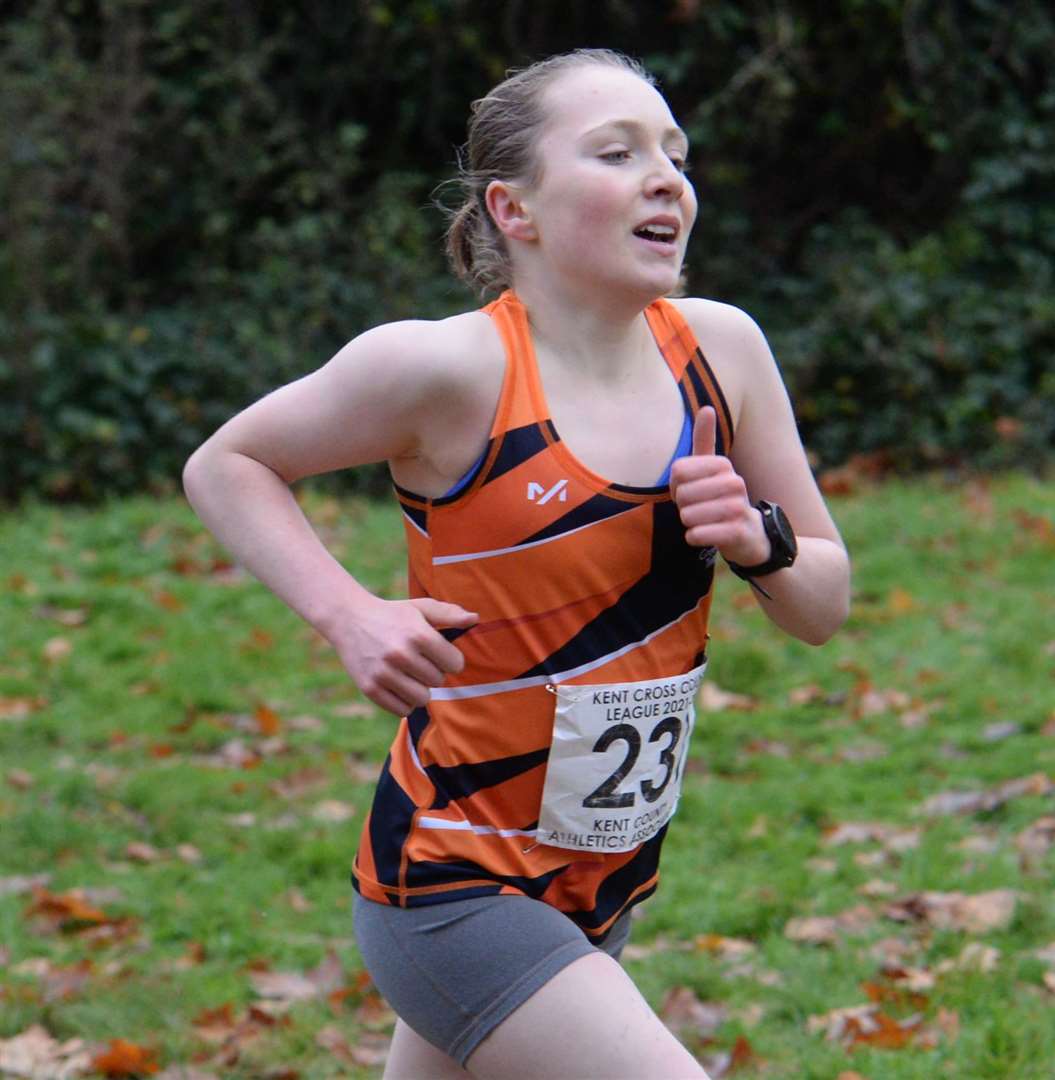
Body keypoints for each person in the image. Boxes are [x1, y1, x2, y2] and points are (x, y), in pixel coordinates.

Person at [183, 47, 850, 1079]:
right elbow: (228, 462)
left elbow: (822, 601)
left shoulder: (722, 350)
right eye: (616, 152)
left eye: (675, 152)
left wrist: (761, 541)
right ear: (514, 209)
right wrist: (349, 615)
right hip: (453, 877)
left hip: (605, 874)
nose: (667, 176)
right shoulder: (448, 368)